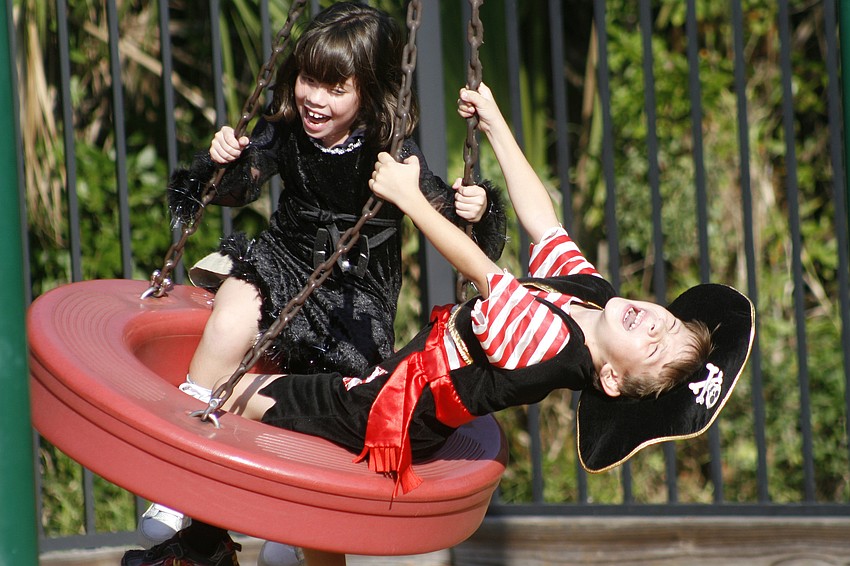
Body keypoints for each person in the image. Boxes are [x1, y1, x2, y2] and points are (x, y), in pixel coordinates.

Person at [122, 83, 754, 566]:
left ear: (610, 380)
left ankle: (189, 510)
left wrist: (409, 197)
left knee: (234, 393)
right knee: (291, 423)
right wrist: (497, 125)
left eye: (654, 346)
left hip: (389, 410)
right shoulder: (590, 296)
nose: (654, 325)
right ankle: (286, 540)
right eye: (668, 322)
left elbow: (482, 269)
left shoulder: (549, 344)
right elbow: (544, 222)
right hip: (398, 380)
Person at [138, 2, 506, 563]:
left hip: (356, 299)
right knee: (233, 313)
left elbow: (440, 214)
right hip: (283, 262)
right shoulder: (288, 128)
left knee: (326, 409)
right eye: (309, 79)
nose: (315, 98)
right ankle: (179, 474)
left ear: (370, 92)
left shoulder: (391, 148)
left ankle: (293, 522)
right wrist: (222, 161)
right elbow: (242, 183)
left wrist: (474, 211)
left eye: (336, 88)